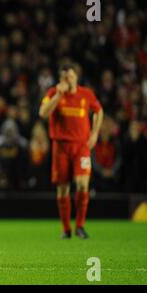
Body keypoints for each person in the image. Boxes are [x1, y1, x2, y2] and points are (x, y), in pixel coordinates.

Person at [39, 63, 103, 239]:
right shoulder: (53, 93)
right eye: (64, 78)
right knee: (63, 188)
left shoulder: (86, 94)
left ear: (76, 77)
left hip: (81, 146)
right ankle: (66, 229)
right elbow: (43, 113)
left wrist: (95, 133)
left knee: (83, 184)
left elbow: (99, 111)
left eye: (70, 76)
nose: (68, 80)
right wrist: (58, 96)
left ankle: (80, 226)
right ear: (60, 79)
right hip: (61, 147)